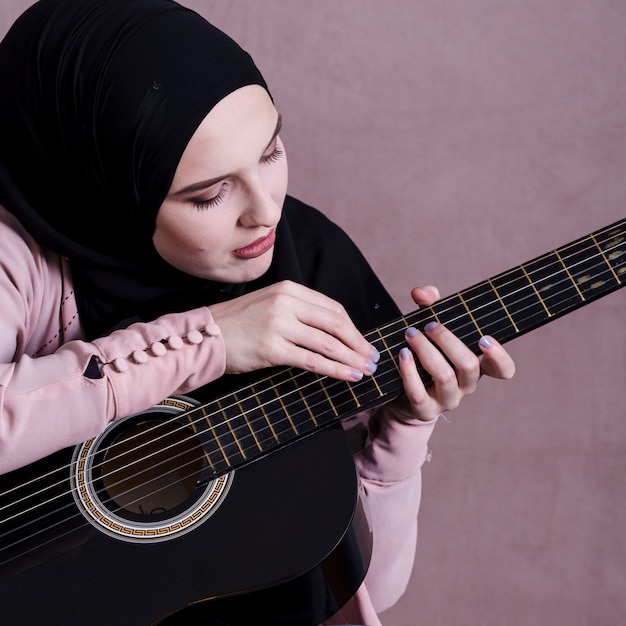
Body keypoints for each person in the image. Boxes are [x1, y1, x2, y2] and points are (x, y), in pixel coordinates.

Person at [0, 0, 515, 624]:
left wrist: (401, 429)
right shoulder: (19, 257)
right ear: (105, 183)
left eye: (271, 154)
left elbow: (363, 591)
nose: (266, 212)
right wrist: (210, 339)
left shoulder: (313, 258)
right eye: (211, 194)